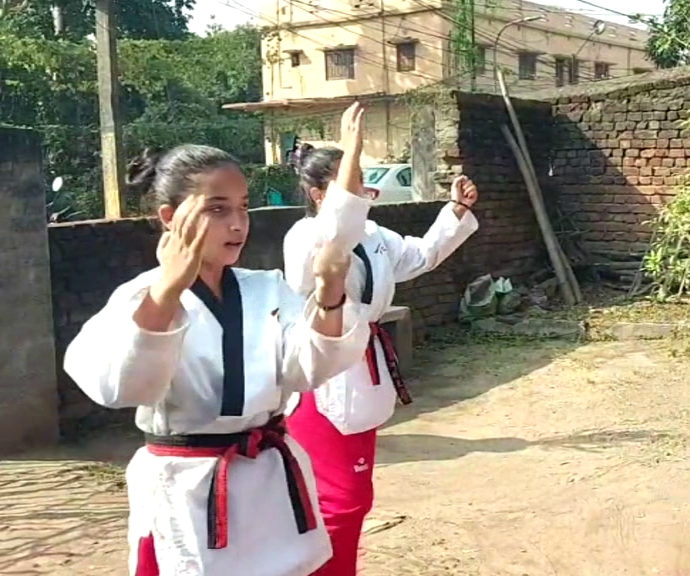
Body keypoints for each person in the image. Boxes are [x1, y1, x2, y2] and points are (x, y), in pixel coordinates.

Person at [63, 144, 372, 576]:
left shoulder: (266, 288)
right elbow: (118, 387)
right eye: (217, 209)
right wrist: (166, 294)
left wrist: (330, 295)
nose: (237, 224)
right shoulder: (140, 295)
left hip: (267, 480)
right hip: (186, 487)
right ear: (171, 218)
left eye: (243, 208)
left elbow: (309, 369)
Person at [282, 102, 480, 576]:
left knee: (352, 502)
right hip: (326, 374)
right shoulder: (306, 237)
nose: (360, 189)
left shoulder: (373, 235)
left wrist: (455, 211)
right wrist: (351, 147)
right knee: (338, 502)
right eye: (349, 178)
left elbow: (421, 255)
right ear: (316, 193)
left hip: (362, 371)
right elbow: (337, 232)